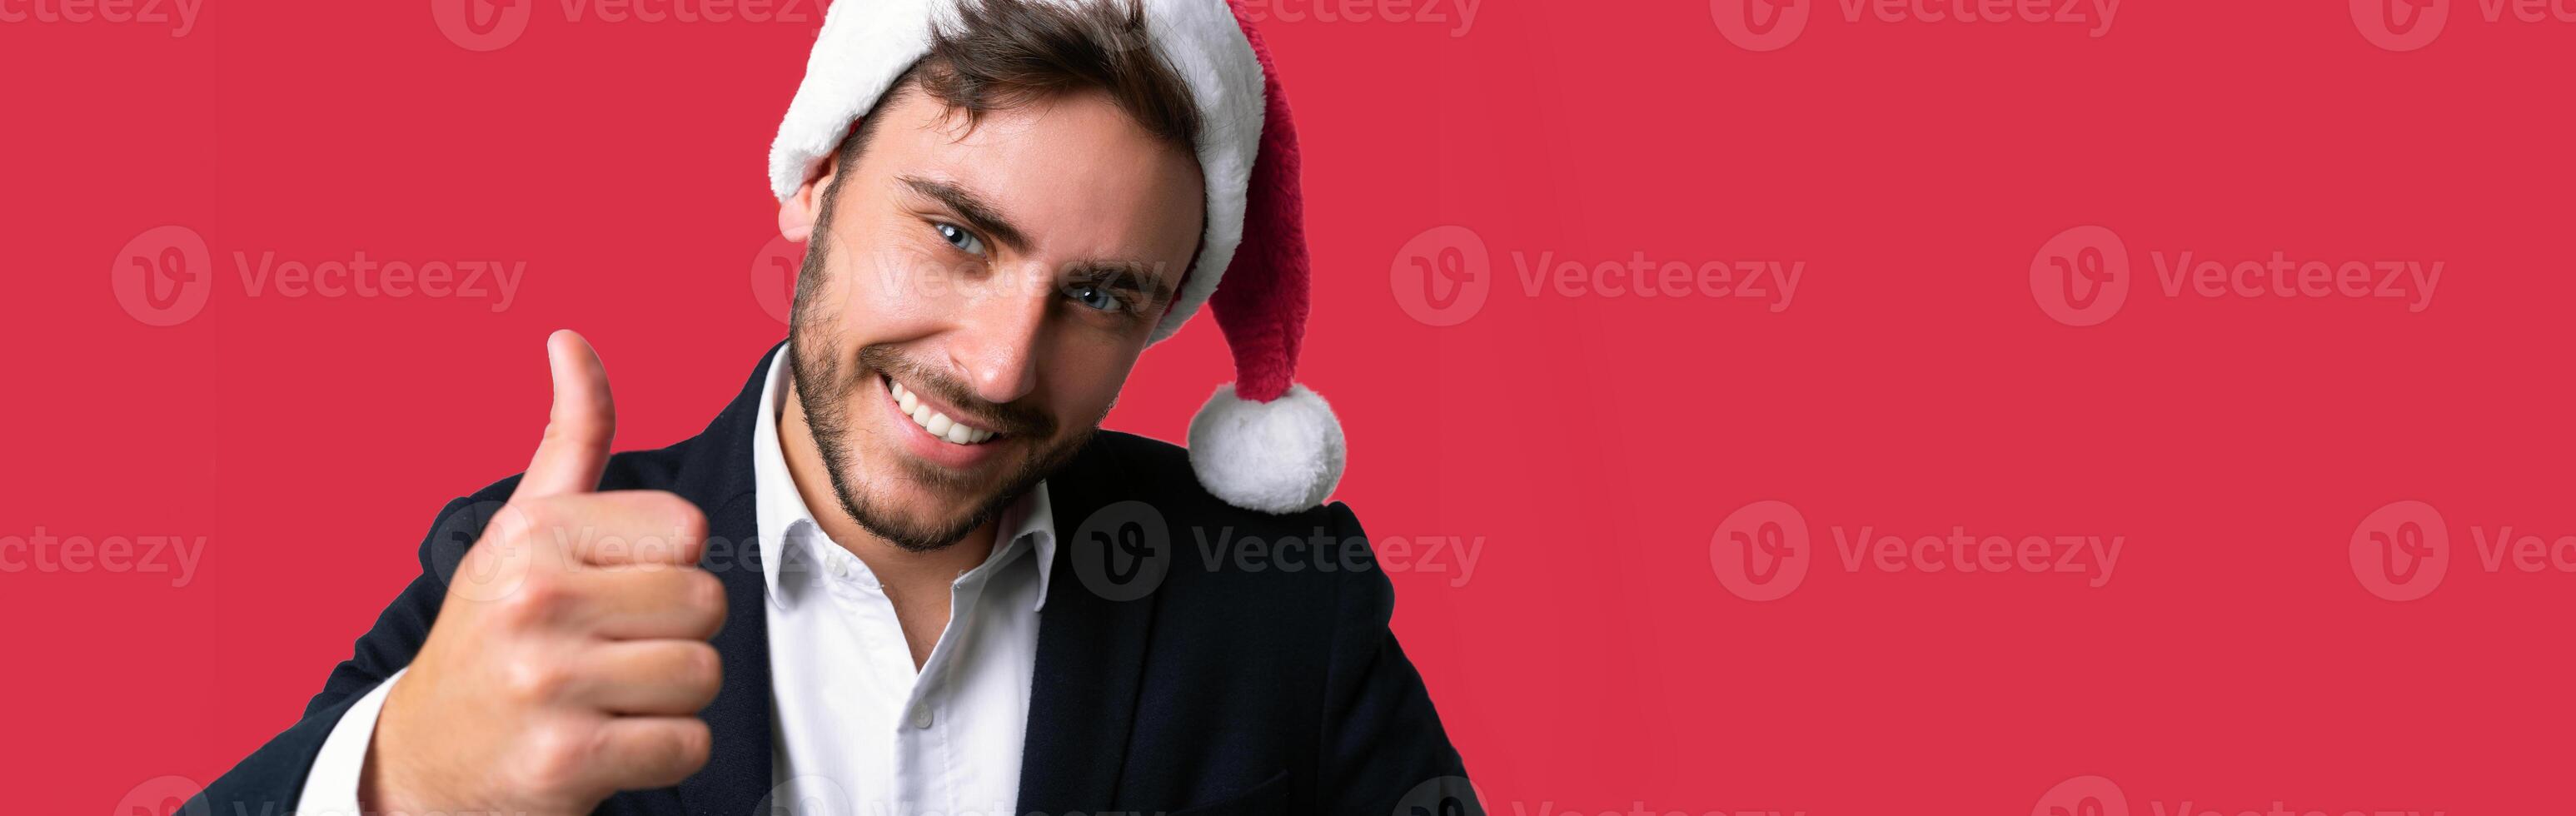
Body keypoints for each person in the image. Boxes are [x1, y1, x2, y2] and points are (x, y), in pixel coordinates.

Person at [190, 0, 1475, 814]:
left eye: (1096, 296)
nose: (995, 367)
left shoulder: (1279, 597)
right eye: (958, 235)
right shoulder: (534, 572)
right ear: (813, 180)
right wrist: (404, 780)